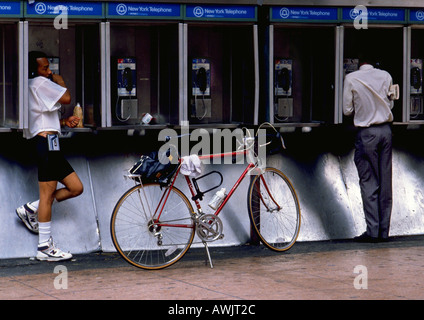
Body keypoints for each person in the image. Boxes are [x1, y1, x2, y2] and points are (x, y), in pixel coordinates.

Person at [15, 51, 83, 261]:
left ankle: (32, 208)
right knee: (48, 195)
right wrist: (58, 79)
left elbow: (41, 116)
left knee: (76, 187)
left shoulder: (30, 86)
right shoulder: (38, 82)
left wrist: (63, 122)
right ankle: (44, 247)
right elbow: (66, 97)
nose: (48, 71)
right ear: (35, 70)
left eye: (49, 67)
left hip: (49, 142)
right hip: (45, 143)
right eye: (44, 68)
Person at [343, 57, 394, 243]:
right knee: (385, 181)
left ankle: (372, 232)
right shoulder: (386, 75)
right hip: (386, 132)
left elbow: (347, 110)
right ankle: (384, 231)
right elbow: (391, 103)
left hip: (367, 133)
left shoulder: (351, 78)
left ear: (359, 63)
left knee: (369, 181)